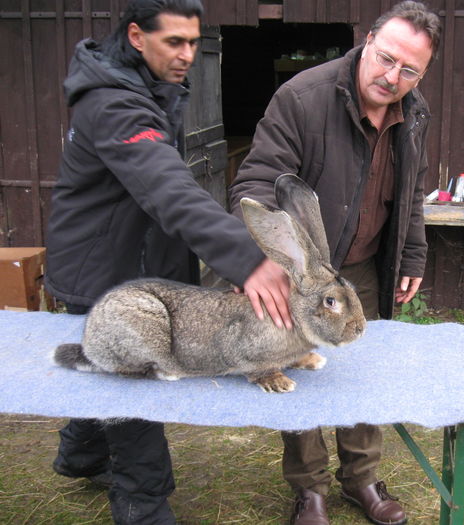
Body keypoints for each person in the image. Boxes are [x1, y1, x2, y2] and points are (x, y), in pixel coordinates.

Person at [45, 0, 292, 522]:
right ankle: (143, 504)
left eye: (193, 44)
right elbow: (169, 190)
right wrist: (248, 262)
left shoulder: (147, 89)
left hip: (130, 261)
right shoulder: (114, 105)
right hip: (103, 271)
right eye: (174, 43)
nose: (187, 56)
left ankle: (80, 454)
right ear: (136, 36)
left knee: (107, 373)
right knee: (136, 393)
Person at [229, 2, 441, 524]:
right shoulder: (302, 98)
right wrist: (265, 260)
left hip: (367, 268)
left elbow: (411, 192)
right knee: (302, 371)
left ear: (423, 73)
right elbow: (256, 182)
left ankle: (362, 479)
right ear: (368, 41)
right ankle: (310, 490)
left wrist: (412, 252)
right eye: (386, 58)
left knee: (362, 376)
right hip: (305, 277)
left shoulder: (415, 113)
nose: (392, 77)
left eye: (409, 70)